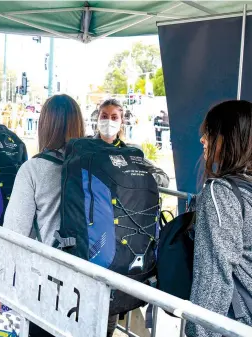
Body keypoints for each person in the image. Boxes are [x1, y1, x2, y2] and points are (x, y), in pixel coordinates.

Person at [4, 94, 85, 337]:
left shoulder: (34, 169)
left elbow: (14, 232)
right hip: (90, 283)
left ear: (45, 125)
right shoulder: (91, 167)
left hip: (47, 286)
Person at [186, 100, 252, 337]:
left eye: (210, 132)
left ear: (230, 138)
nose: (203, 139)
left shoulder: (221, 192)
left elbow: (213, 278)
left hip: (235, 323)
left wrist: (198, 331)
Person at [95, 99, 170, 188]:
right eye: (104, 116)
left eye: (114, 117)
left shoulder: (130, 151)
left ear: (121, 122)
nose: (109, 121)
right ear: (98, 119)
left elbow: (164, 178)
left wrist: (138, 176)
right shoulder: (84, 147)